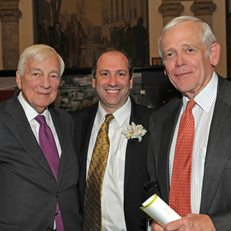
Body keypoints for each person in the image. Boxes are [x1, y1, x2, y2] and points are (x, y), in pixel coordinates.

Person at [146, 15, 231, 231]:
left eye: (189, 50)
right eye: (170, 54)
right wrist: (155, 219)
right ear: (164, 67)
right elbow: (153, 184)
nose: (179, 61)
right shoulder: (159, 120)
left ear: (213, 54)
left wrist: (215, 224)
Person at [0, 44, 81, 230]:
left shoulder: (66, 122)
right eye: (36, 74)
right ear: (19, 79)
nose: (45, 84)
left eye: (53, 75)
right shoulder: (2, 120)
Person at [72, 48, 152, 231]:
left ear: (131, 81)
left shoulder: (154, 124)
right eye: (105, 74)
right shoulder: (74, 124)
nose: (113, 82)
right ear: (94, 81)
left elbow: (161, 185)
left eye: (121, 74)